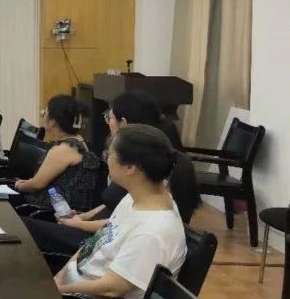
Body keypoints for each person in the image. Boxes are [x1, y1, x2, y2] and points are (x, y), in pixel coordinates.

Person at [55, 124, 187, 299]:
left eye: (110, 155)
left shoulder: (153, 233)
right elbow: (99, 239)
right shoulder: (135, 198)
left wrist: (58, 291)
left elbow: (112, 288)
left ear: (130, 168)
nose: (106, 159)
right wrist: (60, 276)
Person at [29, 91, 199, 259]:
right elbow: (116, 213)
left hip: (105, 242)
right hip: (101, 236)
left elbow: (121, 226)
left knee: (28, 229)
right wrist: (82, 218)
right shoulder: (135, 181)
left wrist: (80, 224)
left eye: (109, 117)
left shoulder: (143, 171)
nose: (107, 160)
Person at [13, 95, 102, 211]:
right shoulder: (79, 141)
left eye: (45, 113)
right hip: (66, 207)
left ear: (53, 122)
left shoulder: (63, 149)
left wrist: (19, 186)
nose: (42, 114)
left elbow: (37, 184)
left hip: (52, 211)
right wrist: (28, 182)